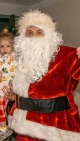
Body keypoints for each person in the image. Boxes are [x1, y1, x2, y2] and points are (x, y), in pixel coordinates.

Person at [8, 9, 80, 141]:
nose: (34, 37)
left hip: (56, 127)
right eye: (29, 33)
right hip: (24, 127)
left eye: (39, 32)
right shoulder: (20, 58)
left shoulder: (67, 55)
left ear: (49, 34)